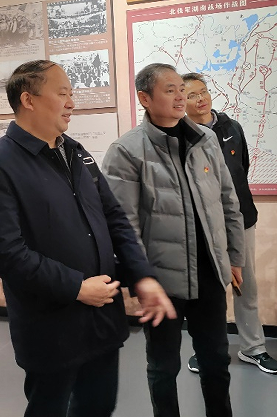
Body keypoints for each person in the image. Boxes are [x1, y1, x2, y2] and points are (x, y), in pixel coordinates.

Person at [0, 59, 175, 417]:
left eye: (71, 94)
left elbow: (114, 218)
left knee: (98, 407)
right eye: (62, 94)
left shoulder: (75, 151)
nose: (71, 103)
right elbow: (5, 253)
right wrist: (76, 287)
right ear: (28, 100)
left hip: (102, 318)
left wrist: (142, 276)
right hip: (51, 327)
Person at [102, 63, 245, 417]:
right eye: (170, 90)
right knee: (163, 367)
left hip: (210, 273)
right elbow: (123, 225)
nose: (181, 96)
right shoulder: (126, 151)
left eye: (182, 88)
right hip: (162, 281)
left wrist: (234, 257)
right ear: (145, 98)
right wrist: (140, 278)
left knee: (216, 360)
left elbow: (228, 201)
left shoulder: (205, 139)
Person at [182, 72, 277, 375]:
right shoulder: (180, 134)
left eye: (203, 92)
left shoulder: (232, 128)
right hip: (202, 226)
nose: (200, 99)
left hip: (241, 220)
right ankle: (204, 349)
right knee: (206, 291)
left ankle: (254, 348)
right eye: (191, 95)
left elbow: (242, 170)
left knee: (246, 286)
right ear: (181, 101)